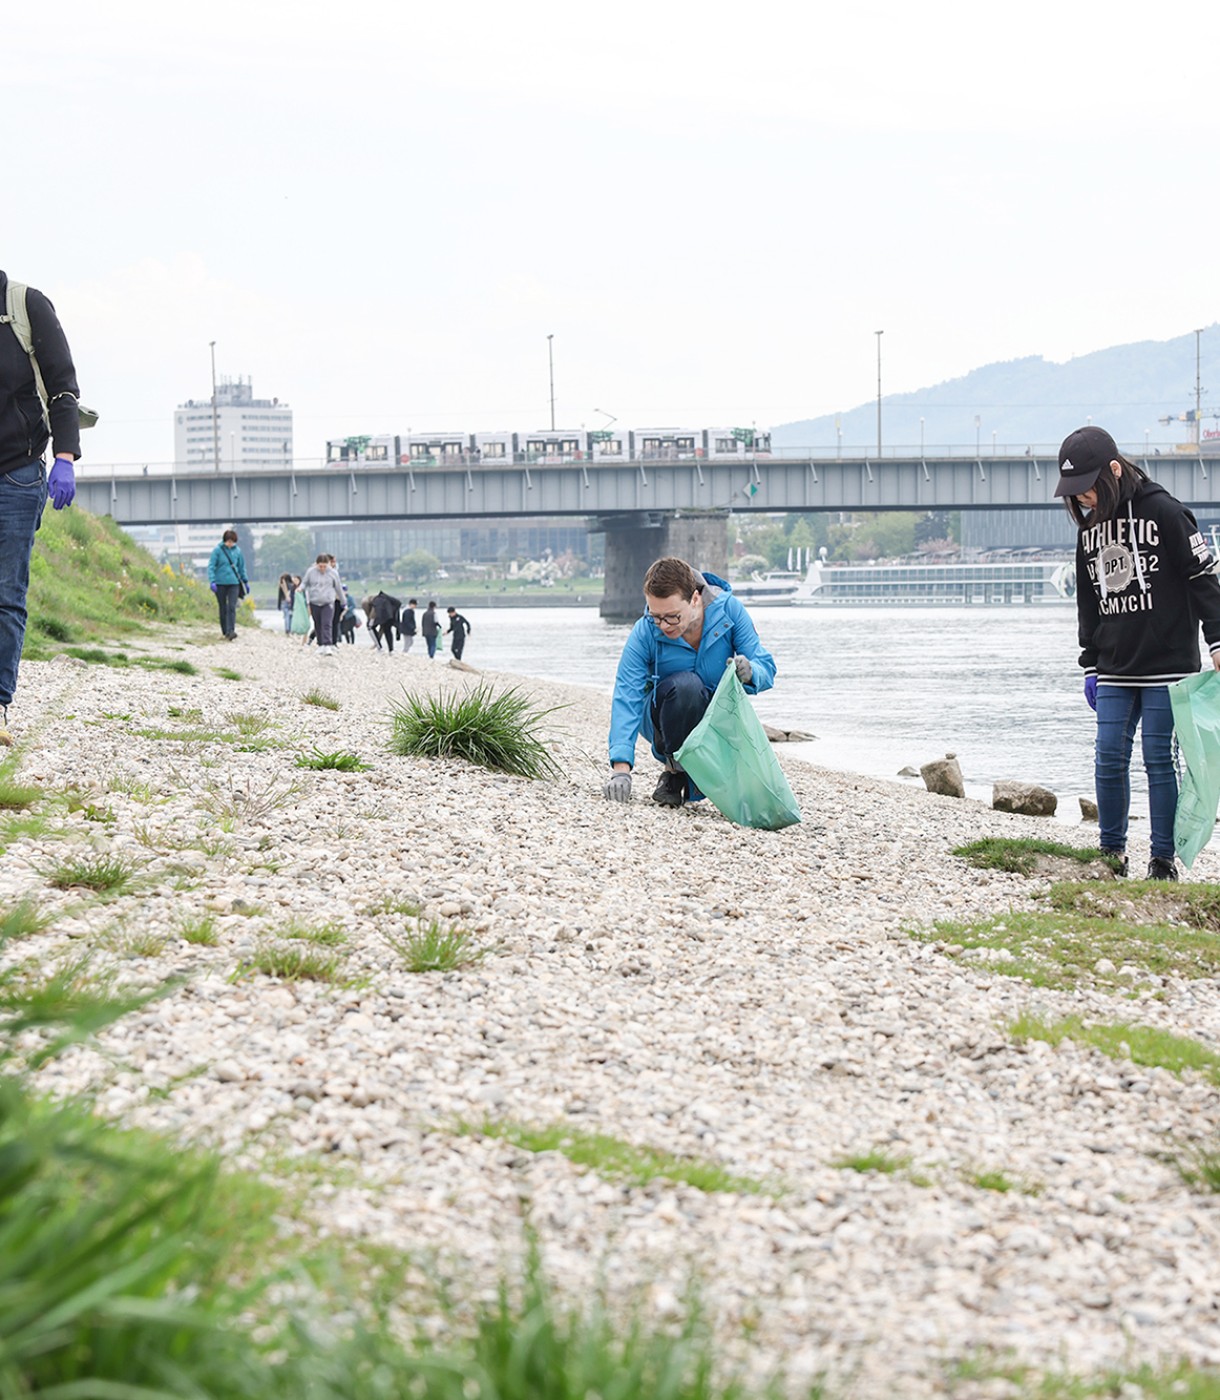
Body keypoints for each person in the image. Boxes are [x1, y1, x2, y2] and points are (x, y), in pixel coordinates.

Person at [1055, 425, 1220, 881]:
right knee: (1107, 755)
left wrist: (1217, 640)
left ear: (1112, 470)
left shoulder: (1165, 511)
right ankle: (1111, 854)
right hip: (1112, 664)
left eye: (1086, 488)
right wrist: (1090, 662)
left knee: (1157, 760)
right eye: (1074, 492)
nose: (1082, 498)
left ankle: (1162, 859)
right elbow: (1088, 601)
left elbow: (1204, 578)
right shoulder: (1089, 531)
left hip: (1168, 665)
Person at [603, 556, 776, 809]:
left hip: (719, 721)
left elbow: (767, 668)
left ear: (695, 599)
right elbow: (626, 695)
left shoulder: (730, 611)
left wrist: (750, 672)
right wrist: (621, 770)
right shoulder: (645, 631)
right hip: (663, 722)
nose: (663, 626)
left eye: (672, 617)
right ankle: (674, 773)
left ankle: (708, 774)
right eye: (656, 616)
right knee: (686, 687)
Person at [0, 271, 80, 743]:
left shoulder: (26, 305)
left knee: (6, 595)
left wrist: (64, 457)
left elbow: (63, 386)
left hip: (17, 472)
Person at [298, 553, 345, 656]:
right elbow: (305, 582)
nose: (323, 568)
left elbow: (338, 587)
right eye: (320, 566)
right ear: (317, 564)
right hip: (314, 601)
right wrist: (301, 588)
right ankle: (320, 645)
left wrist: (343, 601)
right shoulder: (311, 572)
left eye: (325, 566)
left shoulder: (333, 573)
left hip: (328, 602)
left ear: (328, 564)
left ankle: (327, 645)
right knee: (318, 623)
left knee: (327, 623)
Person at [206, 529, 249, 641]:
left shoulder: (238, 551)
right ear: (224, 540)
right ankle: (225, 630)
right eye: (228, 541)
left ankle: (231, 630)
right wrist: (212, 581)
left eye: (232, 542)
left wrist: (245, 581)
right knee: (223, 607)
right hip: (220, 583)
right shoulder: (217, 551)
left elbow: (241, 567)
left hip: (234, 583)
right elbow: (211, 566)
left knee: (231, 607)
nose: (230, 544)